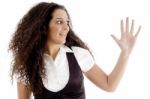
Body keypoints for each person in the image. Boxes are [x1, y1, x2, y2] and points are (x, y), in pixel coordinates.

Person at [9, 2, 141, 99]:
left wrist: (125, 53)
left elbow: (109, 85)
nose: (66, 28)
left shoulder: (78, 55)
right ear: (43, 26)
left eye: (67, 22)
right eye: (60, 22)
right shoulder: (28, 65)